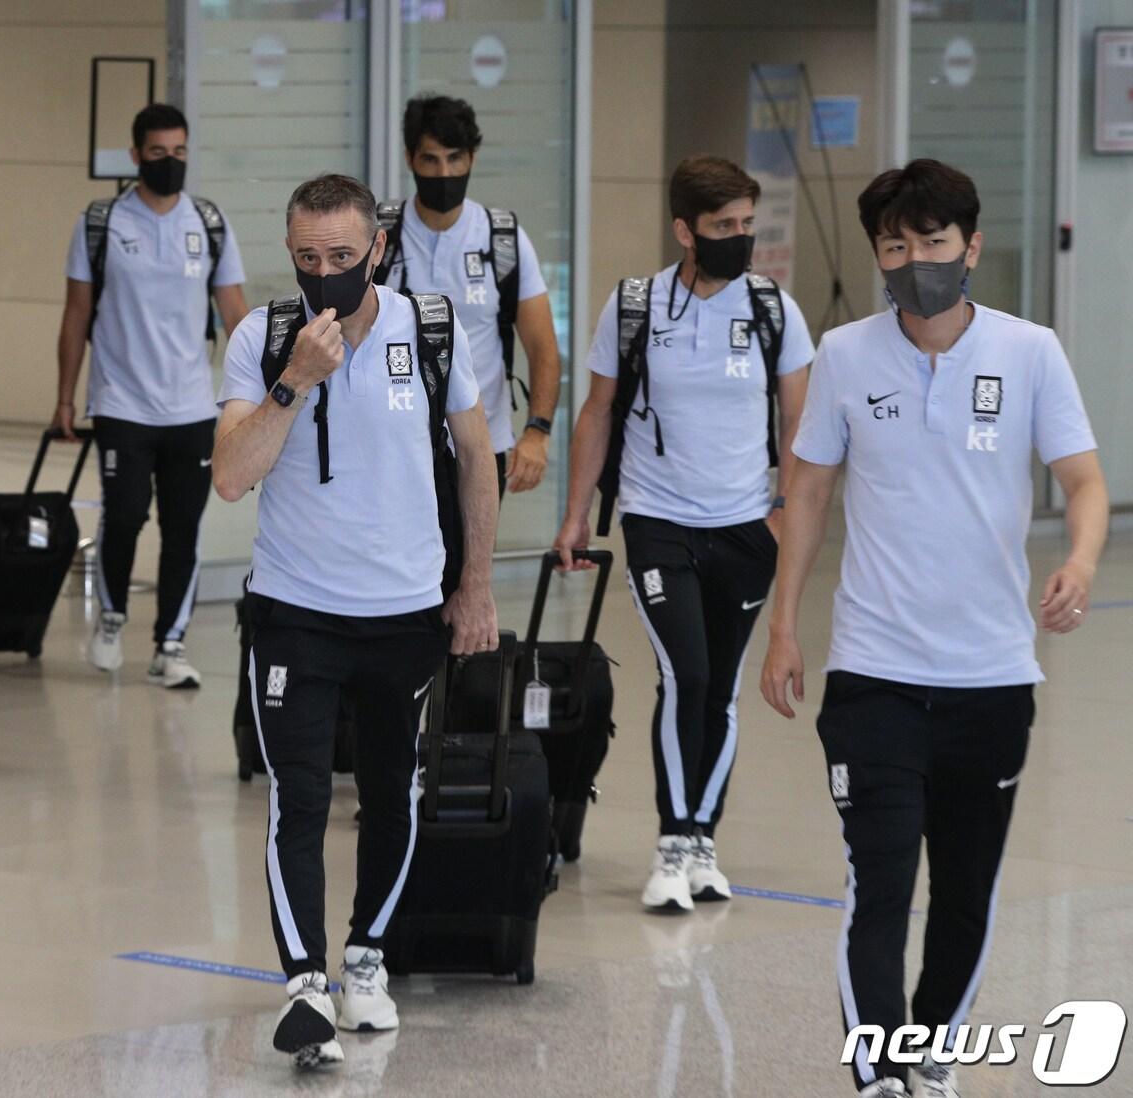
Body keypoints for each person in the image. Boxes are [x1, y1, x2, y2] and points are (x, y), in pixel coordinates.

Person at [760, 159, 1108, 1098]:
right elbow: (808, 494)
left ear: (972, 248)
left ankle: (931, 1056)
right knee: (878, 887)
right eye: (896, 245)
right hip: (873, 673)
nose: (916, 260)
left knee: (962, 894)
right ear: (881, 254)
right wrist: (785, 628)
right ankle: (878, 1078)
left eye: (934, 242)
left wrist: (1078, 561)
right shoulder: (845, 355)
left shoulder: (1030, 352)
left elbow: (1083, 481)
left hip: (992, 680)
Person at [212, 174, 499, 1070]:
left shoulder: (434, 328)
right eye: (307, 259)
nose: (325, 272)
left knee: (390, 791)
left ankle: (366, 956)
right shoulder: (262, 338)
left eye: (342, 257)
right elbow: (230, 474)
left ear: (376, 248)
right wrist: (294, 382)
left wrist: (476, 586)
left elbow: (477, 462)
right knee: (297, 797)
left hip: (404, 612)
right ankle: (305, 982)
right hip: (296, 613)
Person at [553, 155, 815, 913]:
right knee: (687, 676)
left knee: (720, 690)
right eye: (723, 227)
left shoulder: (773, 310)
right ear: (683, 230)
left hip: (745, 528)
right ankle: (672, 843)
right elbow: (598, 411)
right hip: (657, 520)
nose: (740, 239)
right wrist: (576, 514)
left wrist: (780, 510)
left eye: (746, 225)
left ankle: (703, 840)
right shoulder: (634, 307)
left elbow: (801, 419)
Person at [54, 103, 249, 688]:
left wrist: (260, 389)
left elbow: (235, 312)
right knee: (126, 514)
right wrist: (65, 398)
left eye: (181, 153)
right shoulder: (101, 223)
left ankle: (170, 643)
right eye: (159, 153)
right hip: (120, 401)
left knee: (183, 525)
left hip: (191, 404)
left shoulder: (209, 224)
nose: (171, 163)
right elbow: (75, 314)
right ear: (136, 155)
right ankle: (112, 618)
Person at [375, 94, 561, 497]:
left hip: (480, 446)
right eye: (431, 159)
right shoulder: (379, 237)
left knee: (474, 561)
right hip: (390, 445)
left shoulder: (503, 239)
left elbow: (544, 348)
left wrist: (537, 431)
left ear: (472, 158)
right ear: (410, 159)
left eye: (455, 158)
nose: (445, 172)